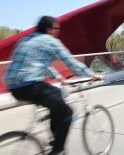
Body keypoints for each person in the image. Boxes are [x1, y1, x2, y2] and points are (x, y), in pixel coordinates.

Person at [5, 16, 102, 155]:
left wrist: (58, 77)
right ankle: (57, 150)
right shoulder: (50, 41)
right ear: (49, 29)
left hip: (14, 87)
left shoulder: (25, 39)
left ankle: (54, 138)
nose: (58, 31)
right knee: (67, 112)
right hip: (30, 86)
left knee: (55, 98)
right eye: (56, 28)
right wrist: (90, 74)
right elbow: (70, 61)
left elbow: (38, 63)